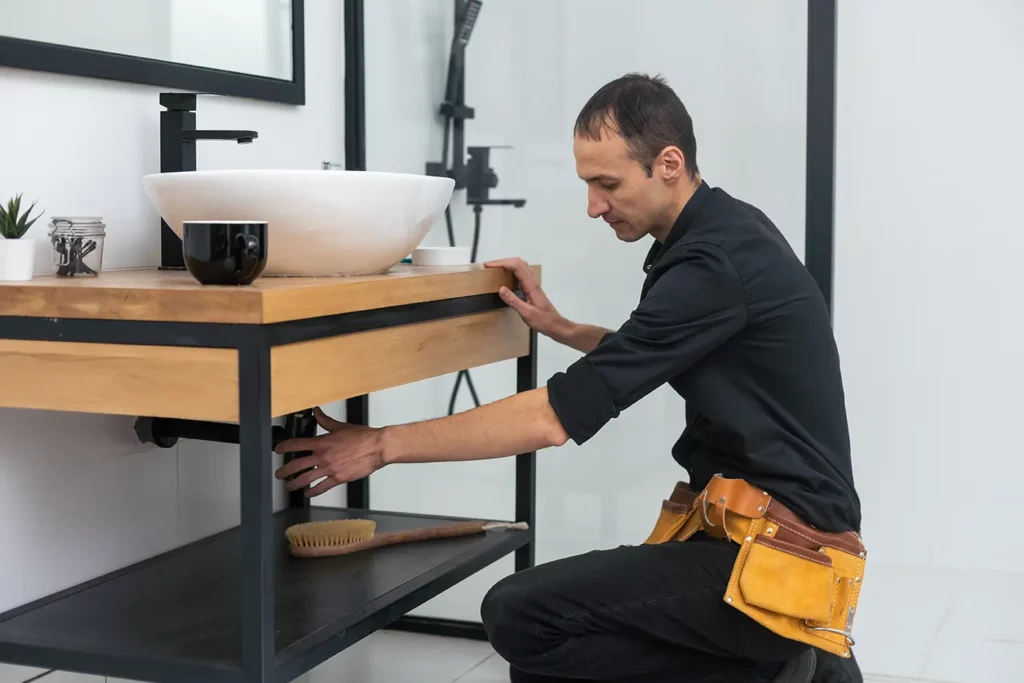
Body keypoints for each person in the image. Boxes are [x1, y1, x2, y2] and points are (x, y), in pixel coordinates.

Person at [273, 73, 864, 683]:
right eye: (588, 184)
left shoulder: (711, 264)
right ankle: (798, 667)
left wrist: (379, 445)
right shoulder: (724, 232)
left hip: (779, 555)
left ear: (669, 163)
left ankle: (781, 670)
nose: (594, 206)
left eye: (607, 184)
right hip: (770, 537)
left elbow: (551, 418)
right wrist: (558, 326)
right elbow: (649, 351)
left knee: (524, 617)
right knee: (544, 657)